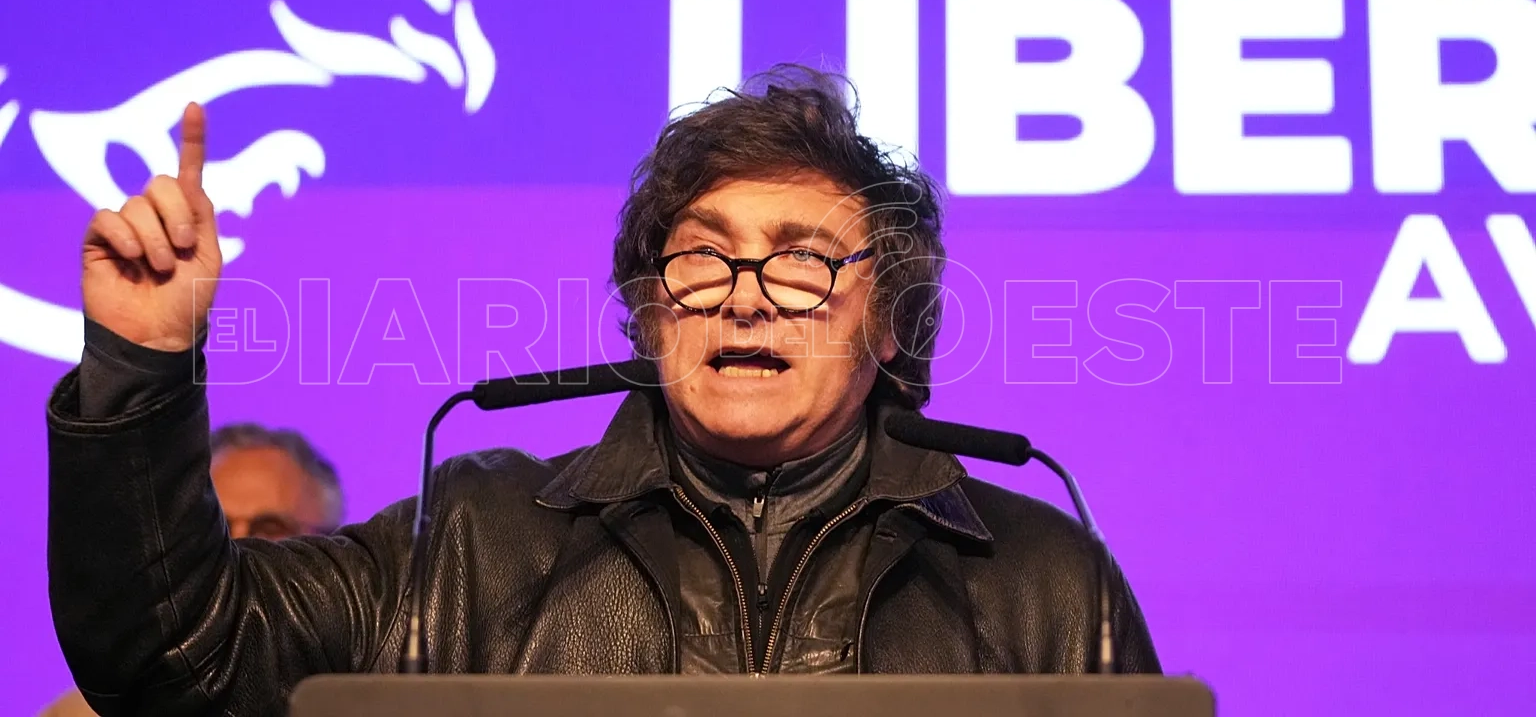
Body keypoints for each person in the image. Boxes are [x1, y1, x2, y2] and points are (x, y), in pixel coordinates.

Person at [47, 67, 1157, 716]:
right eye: (702, 257)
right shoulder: (470, 539)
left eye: (803, 261)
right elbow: (177, 661)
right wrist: (141, 361)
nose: (745, 298)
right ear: (652, 311)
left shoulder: (1044, 584)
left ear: (891, 320)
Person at [41, 423, 343, 716]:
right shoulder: (88, 714)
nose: (237, 545)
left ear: (327, 549)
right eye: (217, 528)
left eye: (269, 528)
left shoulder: (364, 701)